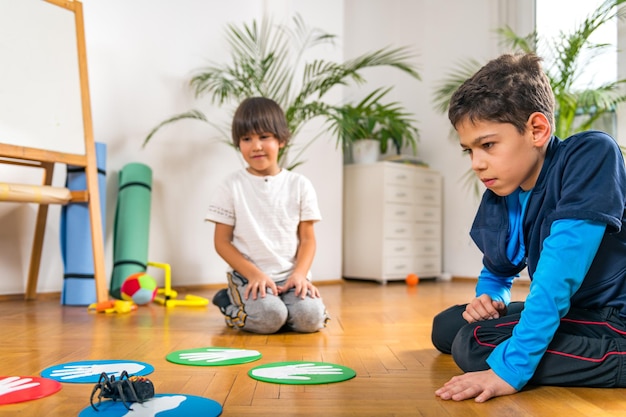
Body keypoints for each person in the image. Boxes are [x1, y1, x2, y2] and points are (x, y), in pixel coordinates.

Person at [431, 53, 626, 402]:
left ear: (537, 129)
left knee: (474, 345)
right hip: (581, 311)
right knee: (448, 327)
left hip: (617, 316)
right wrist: (488, 302)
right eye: (469, 151)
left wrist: (511, 368)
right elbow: (498, 272)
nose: (477, 164)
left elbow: (557, 274)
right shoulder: (502, 191)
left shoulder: (590, 154)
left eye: (488, 145)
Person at [205, 96, 329, 334]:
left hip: (290, 277)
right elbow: (221, 242)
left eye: (264, 137)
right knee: (270, 317)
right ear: (238, 143)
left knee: (310, 318)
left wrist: (300, 274)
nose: (256, 146)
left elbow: (307, 239)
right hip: (248, 277)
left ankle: (282, 310)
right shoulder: (231, 185)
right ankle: (229, 302)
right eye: (247, 139)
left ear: (281, 139)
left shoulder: (300, 184)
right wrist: (254, 274)